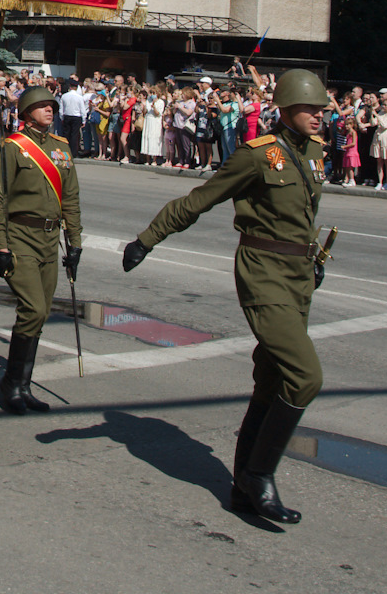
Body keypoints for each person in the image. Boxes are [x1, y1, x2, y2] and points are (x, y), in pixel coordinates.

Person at [122, 69, 330, 524]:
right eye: (311, 109)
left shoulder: (314, 151)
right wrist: (146, 239)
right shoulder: (257, 156)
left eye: (322, 110)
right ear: (289, 108)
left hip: (299, 276)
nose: (319, 116)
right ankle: (259, 474)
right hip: (264, 274)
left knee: (273, 379)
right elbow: (200, 199)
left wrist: (311, 261)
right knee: (305, 376)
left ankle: (241, 487)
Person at [0, 85, 81, 416]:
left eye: (51, 106)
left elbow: (70, 197)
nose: (49, 110)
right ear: (26, 112)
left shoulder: (61, 148)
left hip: (49, 240)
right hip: (20, 236)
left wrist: (76, 243)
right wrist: (0, 243)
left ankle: (22, 385)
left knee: (38, 317)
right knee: (34, 309)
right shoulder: (12, 148)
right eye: (41, 106)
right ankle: (11, 383)